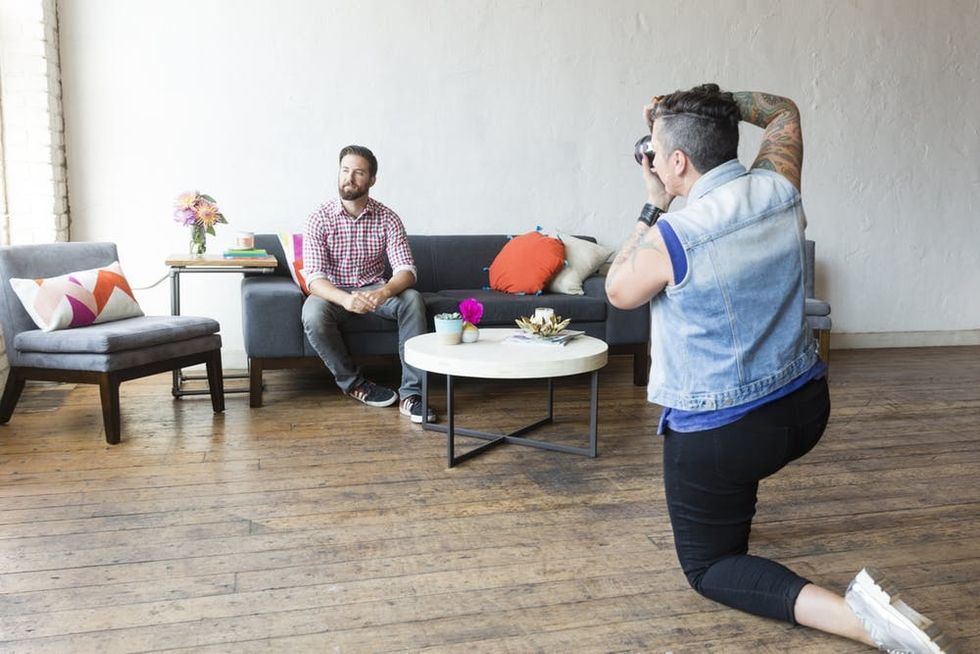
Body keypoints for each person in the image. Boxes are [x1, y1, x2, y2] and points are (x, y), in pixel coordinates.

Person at [605, 85, 949, 653]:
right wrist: (707, 103)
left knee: (711, 566)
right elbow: (783, 111)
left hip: (723, 437)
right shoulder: (779, 187)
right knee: (733, 479)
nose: (654, 161)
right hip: (804, 411)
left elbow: (619, 290)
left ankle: (865, 622)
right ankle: (730, 504)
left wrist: (652, 204)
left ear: (677, 162)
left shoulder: (673, 236)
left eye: (657, 151)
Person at [301, 144, 436, 424]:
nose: (349, 178)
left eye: (358, 173)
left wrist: (384, 292)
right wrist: (345, 299)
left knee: (412, 299)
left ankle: (412, 395)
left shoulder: (388, 218)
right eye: (345, 170)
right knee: (312, 313)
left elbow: (407, 270)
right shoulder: (319, 218)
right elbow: (314, 278)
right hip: (333, 293)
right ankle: (355, 384)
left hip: (375, 290)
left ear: (372, 179)